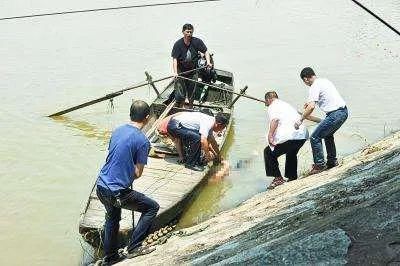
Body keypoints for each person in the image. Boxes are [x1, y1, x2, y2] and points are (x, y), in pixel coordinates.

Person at [96, 100, 160, 265]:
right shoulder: (143, 141)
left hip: (101, 186)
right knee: (152, 207)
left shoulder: (118, 130)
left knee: (112, 218)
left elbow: (114, 155)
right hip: (118, 192)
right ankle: (134, 247)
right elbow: (137, 173)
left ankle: (110, 257)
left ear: (130, 115)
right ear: (147, 118)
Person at [295, 67, 348, 175]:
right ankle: (332, 161)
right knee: (328, 135)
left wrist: (300, 120)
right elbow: (321, 98)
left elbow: (311, 108)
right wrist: (309, 103)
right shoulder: (324, 81)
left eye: (304, 81)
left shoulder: (314, 86)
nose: (306, 84)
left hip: (335, 115)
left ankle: (319, 165)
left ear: (305, 79)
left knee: (315, 137)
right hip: (344, 112)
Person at [264, 91, 308, 189]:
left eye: (266, 102)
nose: (266, 105)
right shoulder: (286, 105)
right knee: (291, 153)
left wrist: (270, 135)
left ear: (268, 99)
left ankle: (278, 178)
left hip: (292, 136)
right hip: (302, 136)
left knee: (268, 152)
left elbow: (274, 120)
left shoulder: (273, 106)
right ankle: (292, 177)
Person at [171, 23, 212, 108]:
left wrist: (208, 62)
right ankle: (181, 108)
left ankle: (190, 108)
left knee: (192, 93)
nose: (189, 34)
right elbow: (174, 59)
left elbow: (206, 51)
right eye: (187, 32)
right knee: (181, 93)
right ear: (183, 32)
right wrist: (175, 72)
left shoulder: (197, 41)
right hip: (181, 72)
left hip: (193, 72)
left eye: (191, 32)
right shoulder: (178, 44)